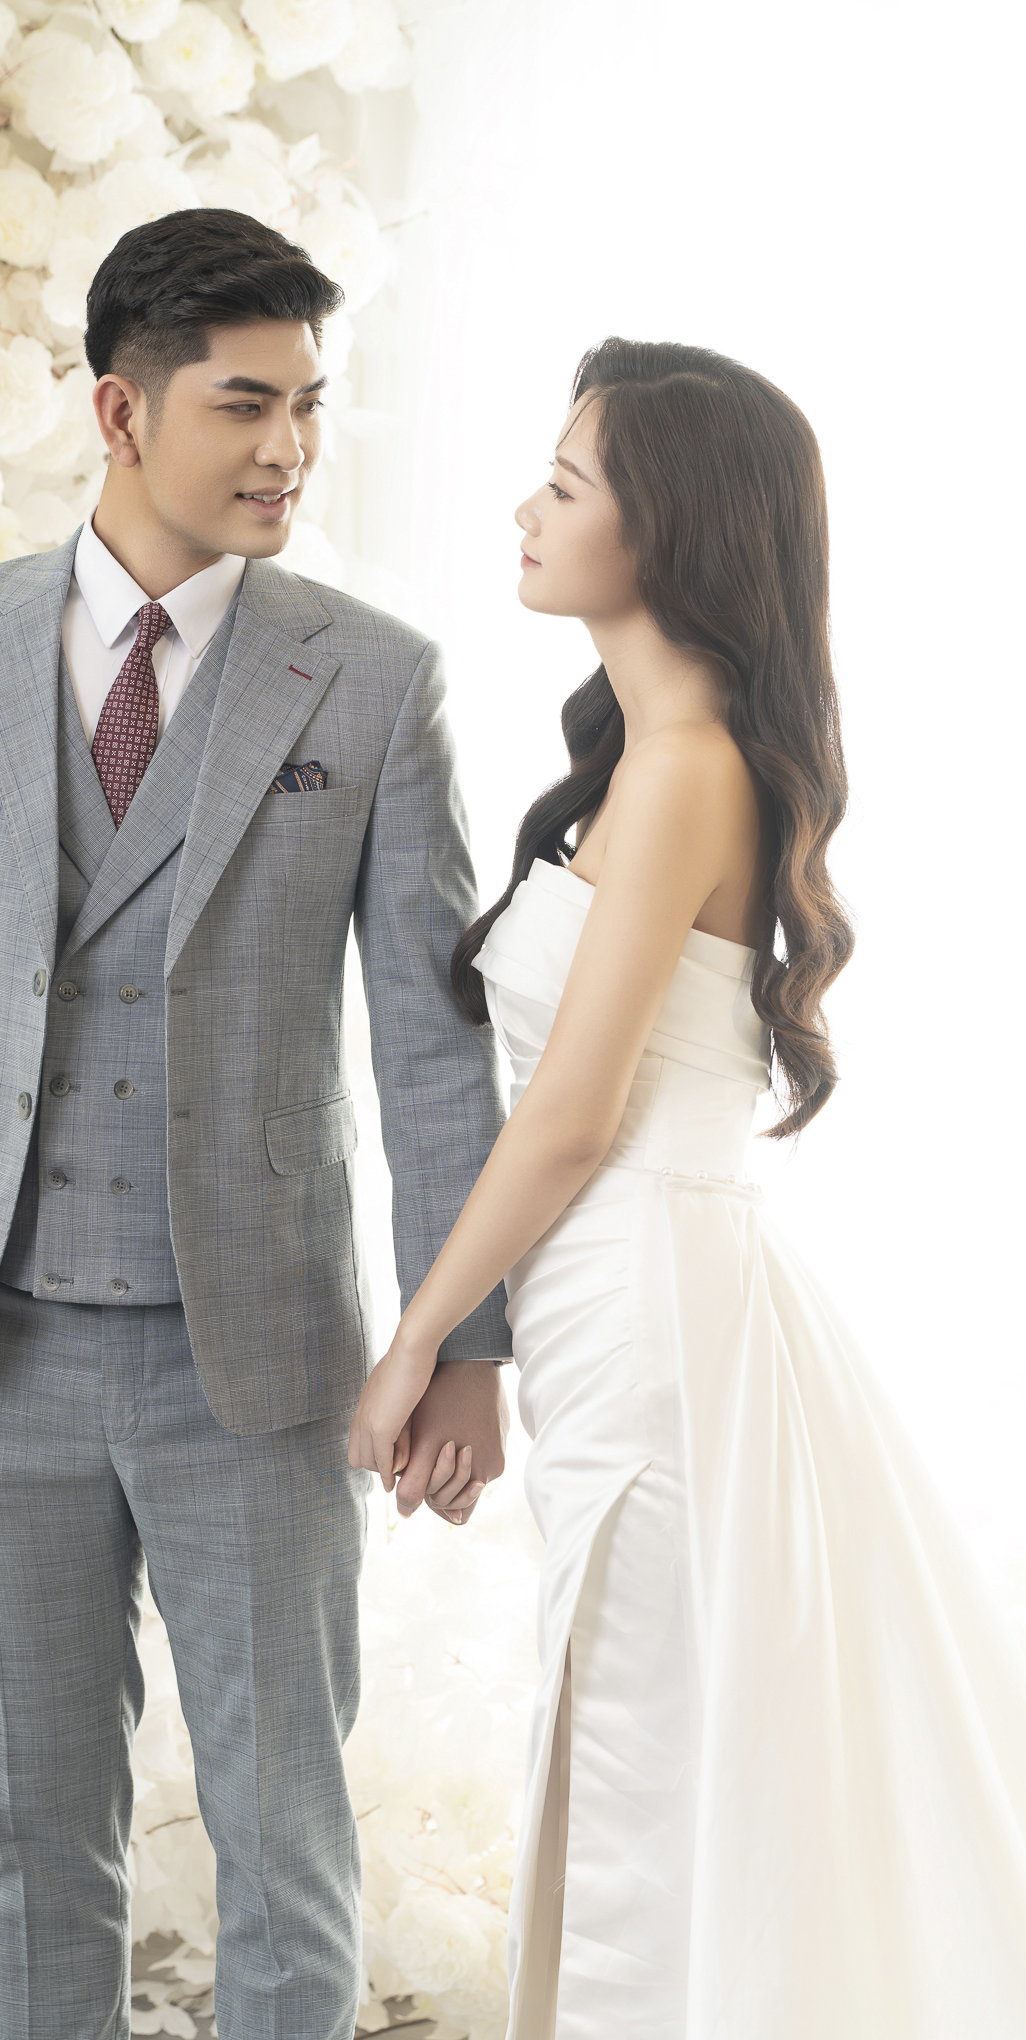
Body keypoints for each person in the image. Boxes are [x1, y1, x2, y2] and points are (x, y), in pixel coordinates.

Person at [0, 207, 513, 2040]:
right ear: (120, 411)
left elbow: (431, 1045)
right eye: (244, 404)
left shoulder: (371, 677)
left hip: (252, 1356)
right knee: (38, 1840)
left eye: (310, 404)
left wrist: (464, 1345)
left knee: (285, 1841)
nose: (290, 448)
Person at [349, 337, 1026, 2038]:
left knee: (649, 1734)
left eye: (565, 483)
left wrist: (419, 1337)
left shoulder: (684, 770)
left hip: (644, 1296)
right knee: (647, 1719)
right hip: (633, 1291)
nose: (525, 508)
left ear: (668, 529)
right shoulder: (657, 760)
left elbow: (571, 1118)